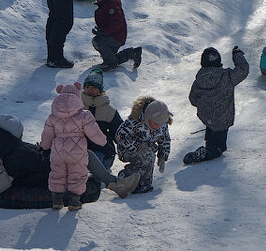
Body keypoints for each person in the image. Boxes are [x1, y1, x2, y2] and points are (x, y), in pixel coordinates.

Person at [41, 81, 106, 211]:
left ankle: (57, 200)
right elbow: (94, 132)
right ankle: (74, 201)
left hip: (58, 152)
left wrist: (45, 146)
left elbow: (47, 135)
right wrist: (103, 141)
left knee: (57, 174)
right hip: (77, 152)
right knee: (78, 174)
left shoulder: (52, 117)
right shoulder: (84, 115)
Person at [79, 68, 140, 197]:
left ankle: (99, 178)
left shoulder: (108, 110)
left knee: (97, 159)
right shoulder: (77, 106)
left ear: (100, 90)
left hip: (103, 151)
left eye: (94, 87)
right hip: (79, 150)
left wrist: (128, 149)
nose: (90, 90)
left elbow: (119, 132)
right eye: (87, 87)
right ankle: (91, 178)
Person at [184, 46, 250, 164]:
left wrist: (203, 104)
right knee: (220, 147)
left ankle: (208, 145)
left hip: (207, 116)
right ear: (218, 61)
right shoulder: (227, 76)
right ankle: (207, 153)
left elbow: (192, 98)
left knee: (211, 129)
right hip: (222, 118)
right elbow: (243, 69)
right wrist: (237, 54)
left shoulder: (199, 79)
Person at [114, 96, 171, 194]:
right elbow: (120, 136)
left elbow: (165, 139)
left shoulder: (162, 123)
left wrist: (163, 155)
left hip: (147, 147)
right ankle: (129, 177)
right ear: (148, 117)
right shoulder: (134, 121)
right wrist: (136, 147)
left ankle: (143, 183)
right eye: (155, 123)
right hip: (126, 149)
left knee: (149, 156)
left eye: (161, 123)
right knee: (147, 155)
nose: (158, 126)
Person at [92, 0, 143, 69]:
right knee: (112, 56)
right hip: (113, 35)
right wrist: (100, 30)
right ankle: (133, 53)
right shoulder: (105, 5)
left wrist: (104, 31)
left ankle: (110, 63)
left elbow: (117, 23)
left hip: (116, 37)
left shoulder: (112, 7)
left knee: (98, 41)